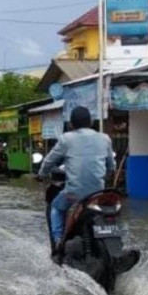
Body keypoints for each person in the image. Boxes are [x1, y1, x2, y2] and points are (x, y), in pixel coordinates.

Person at [37, 106, 115, 253]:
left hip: (74, 193)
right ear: (91, 122)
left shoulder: (66, 139)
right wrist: (107, 176)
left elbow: (49, 161)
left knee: (56, 207)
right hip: (99, 193)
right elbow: (111, 166)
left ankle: (58, 241)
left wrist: (42, 174)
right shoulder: (105, 138)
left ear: (71, 124)